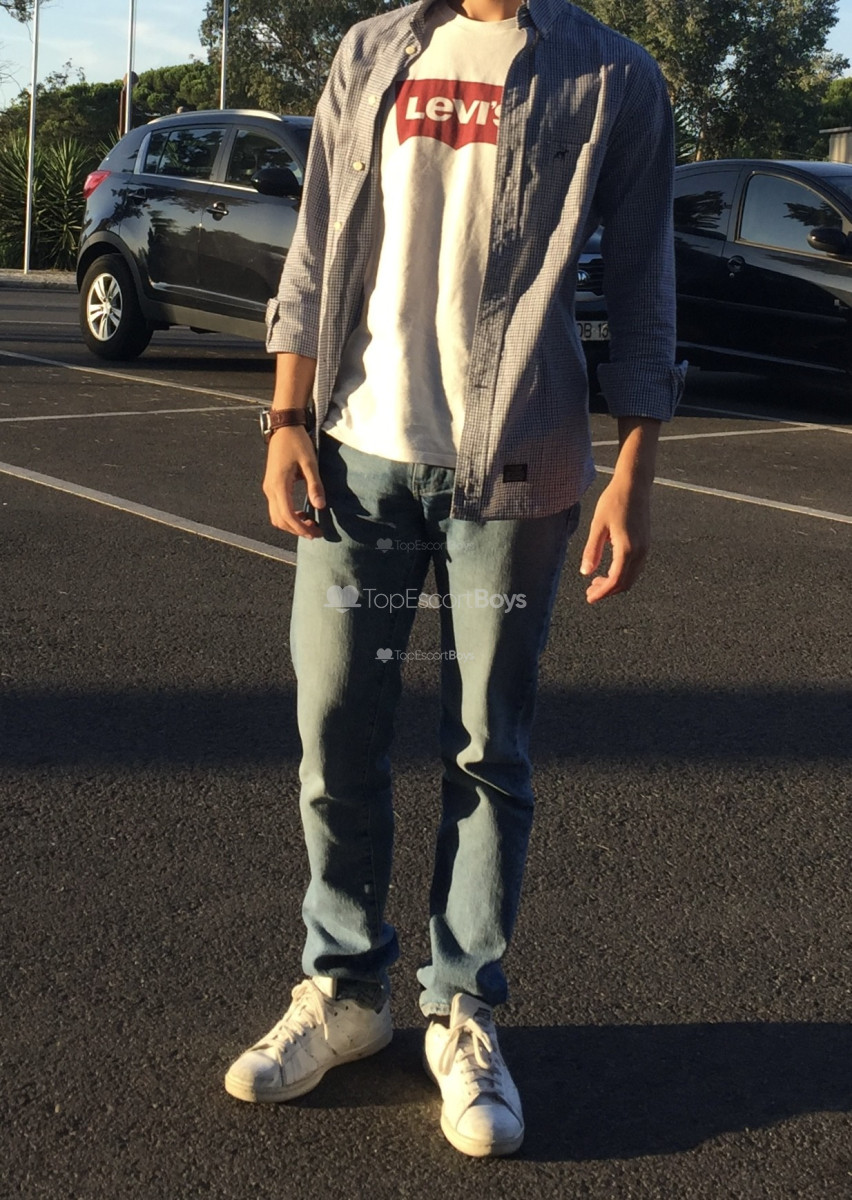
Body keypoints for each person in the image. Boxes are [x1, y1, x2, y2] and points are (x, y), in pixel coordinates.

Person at [224, 0, 685, 1158]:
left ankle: (464, 1009)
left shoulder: (613, 78)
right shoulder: (373, 50)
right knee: (335, 726)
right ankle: (345, 992)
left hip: (516, 471)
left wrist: (635, 470)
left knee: (489, 746)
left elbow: (644, 284)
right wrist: (286, 418)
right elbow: (316, 245)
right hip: (354, 459)